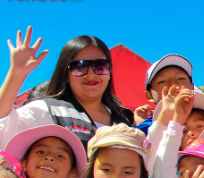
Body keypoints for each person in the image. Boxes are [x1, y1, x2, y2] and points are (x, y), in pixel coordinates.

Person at [0, 28, 133, 148]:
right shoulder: (46, 110)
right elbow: (4, 128)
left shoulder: (123, 120)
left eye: (100, 66)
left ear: (109, 71)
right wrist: (16, 74)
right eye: (80, 67)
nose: (91, 74)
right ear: (65, 74)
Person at [2, 125, 87, 178]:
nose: (49, 157)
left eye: (60, 156)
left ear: (73, 173)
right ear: (24, 163)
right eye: (41, 152)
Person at [134, 53, 194, 132]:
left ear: (192, 87)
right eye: (162, 81)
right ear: (149, 95)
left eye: (181, 78)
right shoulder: (143, 131)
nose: (174, 85)